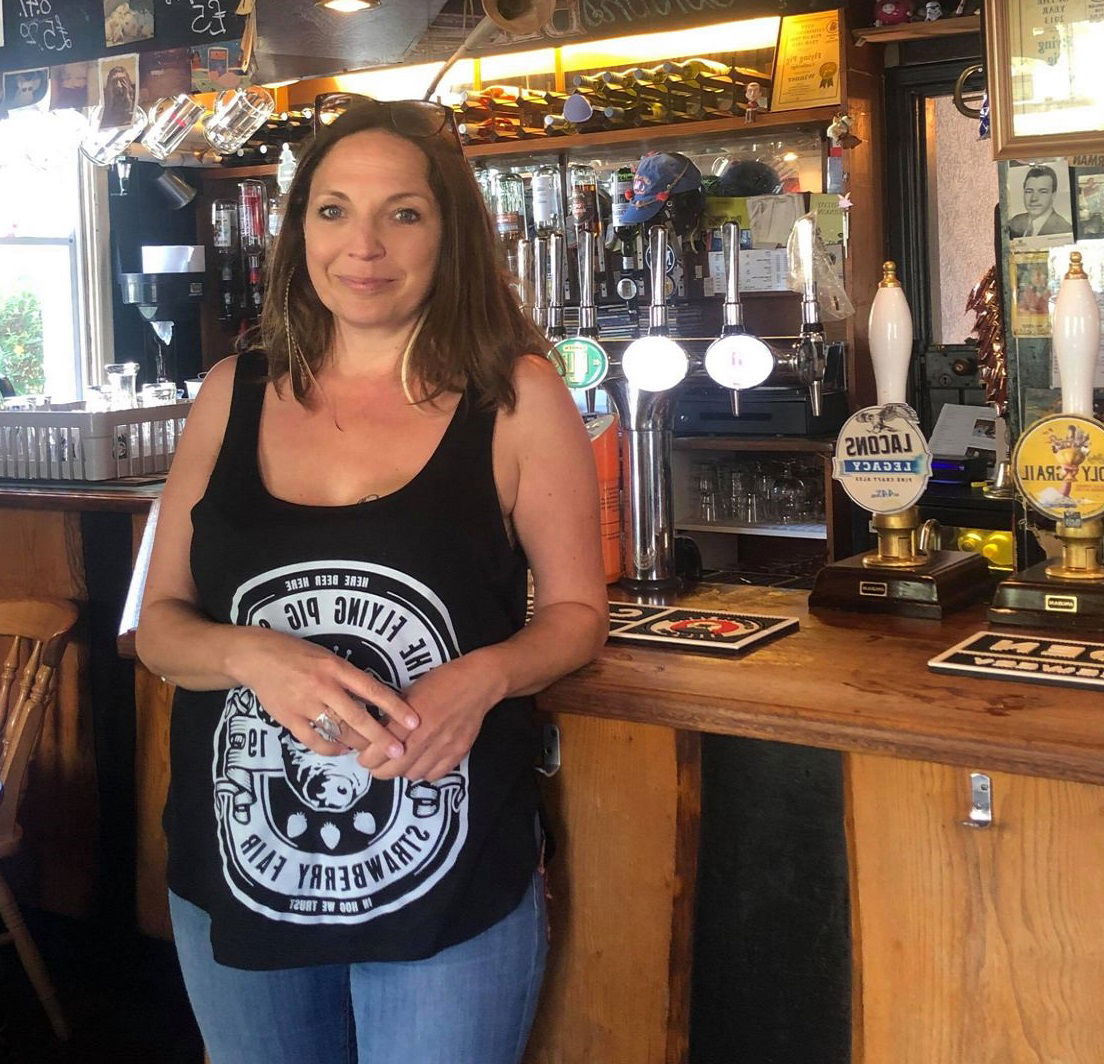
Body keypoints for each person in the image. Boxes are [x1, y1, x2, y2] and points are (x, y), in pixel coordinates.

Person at [136, 97, 608, 1064]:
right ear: (299, 230)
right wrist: (252, 655)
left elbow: (575, 614)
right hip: (239, 866)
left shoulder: (517, 396)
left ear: (450, 233)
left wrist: (482, 677)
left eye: (403, 213)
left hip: (450, 874)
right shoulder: (231, 392)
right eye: (334, 210)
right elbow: (160, 630)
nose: (364, 246)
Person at [1007, 165, 1072, 238]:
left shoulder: (1065, 229)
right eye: (1029, 191)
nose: (1034, 198)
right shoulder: (1015, 221)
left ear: (1053, 195)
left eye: (1042, 192)